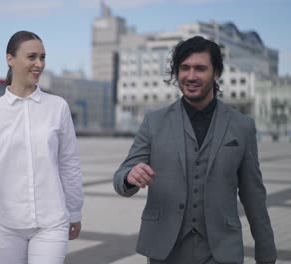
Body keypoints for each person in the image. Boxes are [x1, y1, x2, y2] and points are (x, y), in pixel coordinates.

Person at [113, 36, 277, 264]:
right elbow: (122, 174)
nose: (190, 76)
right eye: (184, 68)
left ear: (216, 73)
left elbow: (254, 196)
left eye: (200, 69)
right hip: (165, 249)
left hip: (221, 251)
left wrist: (266, 255)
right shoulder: (154, 122)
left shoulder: (242, 126)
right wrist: (130, 176)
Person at [0, 30, 84, 264]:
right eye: (32, 57)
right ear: (10, 59)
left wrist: (75, 211)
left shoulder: (57, 107)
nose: (39, 64)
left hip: (52, 222)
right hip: (5, 223)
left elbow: (69, 164)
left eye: (43, 57)